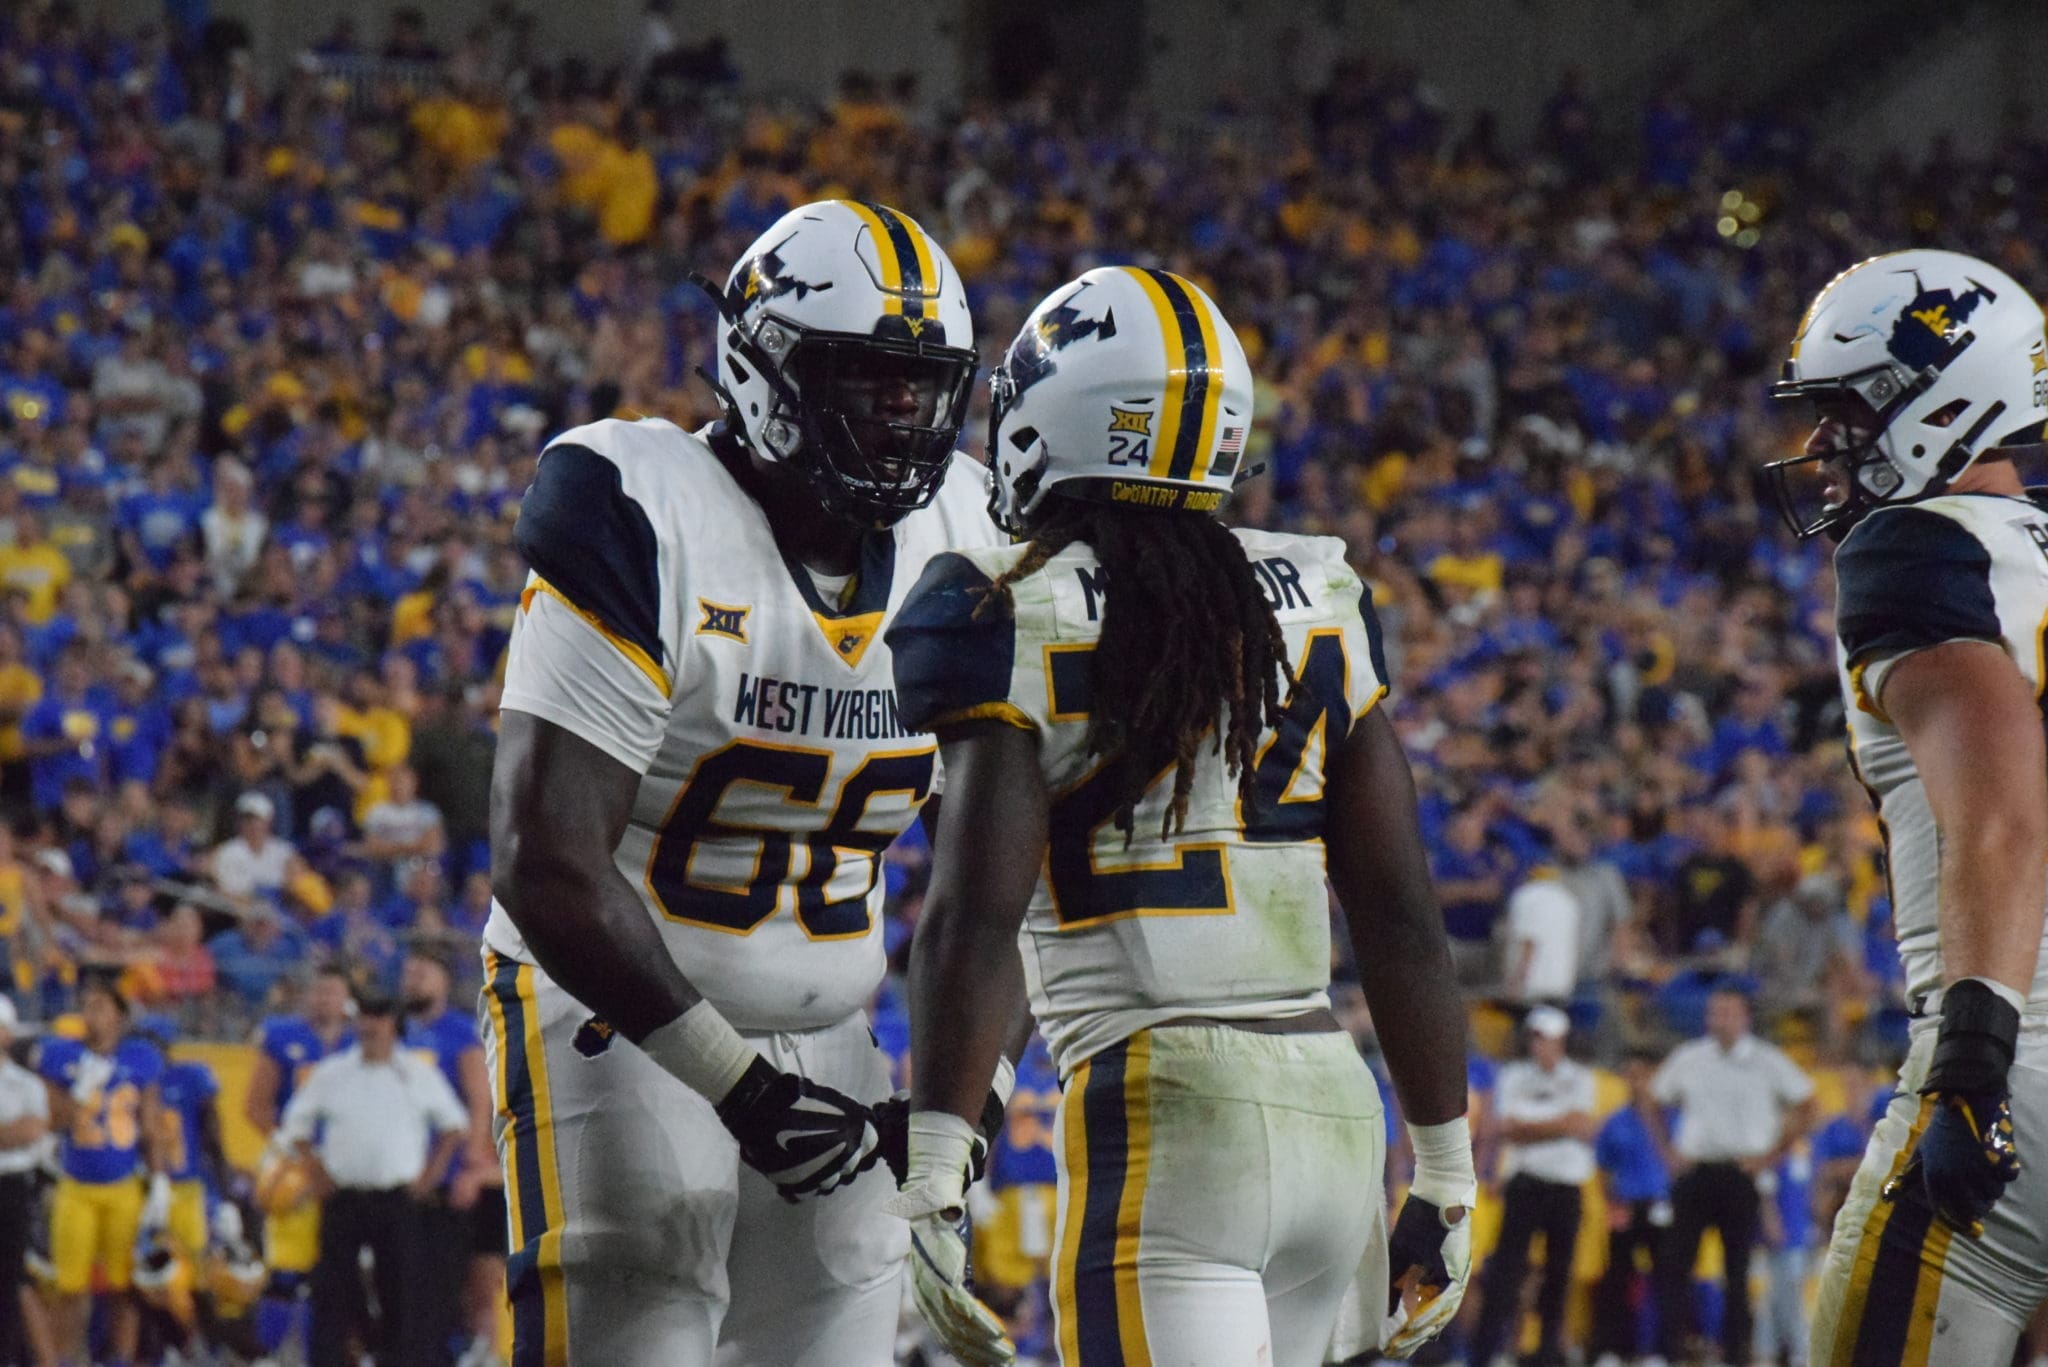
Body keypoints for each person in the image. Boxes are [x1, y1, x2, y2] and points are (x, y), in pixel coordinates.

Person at [883, 266, 1474, 1367]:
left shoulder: (999, 602)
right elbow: (1400, 915)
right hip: (1335, 1105)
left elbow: (972, 916)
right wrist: (1443, 1168)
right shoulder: (1319, 592)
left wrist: (934, 1163)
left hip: (1161, 1104)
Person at [486, 199, 1003, 1364]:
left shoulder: (971, 528)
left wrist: (971, 1102)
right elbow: (543, 859)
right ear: (763, 367)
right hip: (612, 1011)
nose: (902, 418)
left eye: (923, 387)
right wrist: (735, 1082)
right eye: (868, 382)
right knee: (637, 1311)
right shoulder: (640, 507)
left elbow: (1017, 850)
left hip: (834, 1029)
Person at [1769, 249, 2048, 1366]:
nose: (1823, 447)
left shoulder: (1914, 545)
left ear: (1941, 398)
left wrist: (1972, 1065)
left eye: (1844, 412)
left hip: (2014, 1051)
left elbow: (1998, 808)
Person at [278, 988, 467, 1367]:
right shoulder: (332, 1073)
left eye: (378, 1017)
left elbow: (454, 1126)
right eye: (364, 1017)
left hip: (396, 1198)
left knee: (400, 1288)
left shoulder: (416, 1073)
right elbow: (295, 1126)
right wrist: (315, 1171)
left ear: (393, 1025)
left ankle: (399, 1360)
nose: (370, 1026)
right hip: (344, 1197)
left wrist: (430, 1177)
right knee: (333, 1288)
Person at [1648, 986, 1815, 1365]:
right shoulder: (1690, 1057)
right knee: (1675, 1264)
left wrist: (1772, 1155)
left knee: (1737, 1270)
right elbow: (1655, 1100)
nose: (1720, 1020)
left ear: (1744, 1018)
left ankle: (1736, 1353)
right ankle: (1671, 1351)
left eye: (1728, 1013)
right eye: (1714, 1013)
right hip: (1696, 1171)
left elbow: (1808, 1104)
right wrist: (1667, 1151)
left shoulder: (1766, 1060)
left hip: (1741, 1172)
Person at [34, 972, 165, 1366]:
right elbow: (52, 1119)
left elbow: (150, 1123)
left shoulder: (141, 1057)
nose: (90, 1014)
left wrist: (158, 1180)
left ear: (120, 1017)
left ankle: (120, 1359)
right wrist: (79, 1092)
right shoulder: (63, 1055)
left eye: (100, 1006)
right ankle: (63, 1359)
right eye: (87, 1006)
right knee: (68, 1286)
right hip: (76, 1183)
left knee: (124, 1286)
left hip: (123, 1184)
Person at [1470, 1005, 1596, 1367]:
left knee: (1559, 1274)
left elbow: (1582, 1126)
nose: (1543, 1047)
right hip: (1525, 1184)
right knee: (1506, 1273)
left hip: (1566, 1186)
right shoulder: (1513, 1075)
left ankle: (1546, 1354)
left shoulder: (1580, 1078)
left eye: (1549, 1040)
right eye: (1538, 1039)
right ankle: (1487, 1353)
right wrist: (1561, 1124)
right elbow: (1504, 1127)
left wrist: (1529, 1129)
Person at [244, 963, 355, 1345]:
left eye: (333, 992)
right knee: (286, 1272)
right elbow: (256, 1108)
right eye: (319, 991)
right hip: (294, 1166)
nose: (325, 1000)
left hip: (348, 1168)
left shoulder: (360, 1041)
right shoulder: (283, 1036)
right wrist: (295, 1155)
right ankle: (268, 1354)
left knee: (339, 1272)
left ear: (347, 1000)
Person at [401, 949, 501, 1364]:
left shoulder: (459, 1032)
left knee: (475, 1284)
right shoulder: (396, 1032)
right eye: (408, 972)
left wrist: (471, 1162)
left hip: (452, 1174)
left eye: (422, 971)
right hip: (411, 1171)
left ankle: (486, 1355)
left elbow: (479, 1102)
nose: (412, 979)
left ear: (444, 980)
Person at [1588, 1046, 1673, 1367]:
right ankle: (1612, 1349)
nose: (1638, 1083)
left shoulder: (1670, 1119)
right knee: (1617, 1279)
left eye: (1644, 1076)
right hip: (1625, 1205)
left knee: (1665, 1280)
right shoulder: (1616, 1122)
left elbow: (1678, 1162)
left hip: (1662, 1206)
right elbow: (1604, 1169)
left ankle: (1660, 1350)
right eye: (1632, 1076)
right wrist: (1612, 1204)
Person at [0, 996, 49, 1367]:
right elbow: (26, 1129)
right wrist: (12, 1132)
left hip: (15, 1186)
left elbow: (36, 1131)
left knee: (13, 1278)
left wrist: (18, 1133)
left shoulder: (27, 1083)